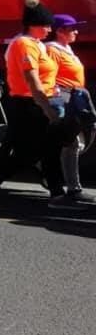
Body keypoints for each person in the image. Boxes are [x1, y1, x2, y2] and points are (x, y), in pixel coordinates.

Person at [0, 0, 67, 208]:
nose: (49, 30)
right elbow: (32, 81)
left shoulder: (37, 45)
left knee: (49, 149)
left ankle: (57, 194)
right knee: (29, 152)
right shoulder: (24, 45)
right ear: (33, 26)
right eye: (46, 26)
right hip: (28, 105)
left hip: (39, 103)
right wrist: (47, 109)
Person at [45, 13, 95, 206]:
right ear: (59, 31)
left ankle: (71, 188)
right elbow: (50, 76)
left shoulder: (66, 49)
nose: (76, 31)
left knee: (75, 142)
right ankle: (67, 189)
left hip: (75, 100)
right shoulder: (52, 50)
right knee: (69, 144)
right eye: (72, 28)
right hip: (63, 101)